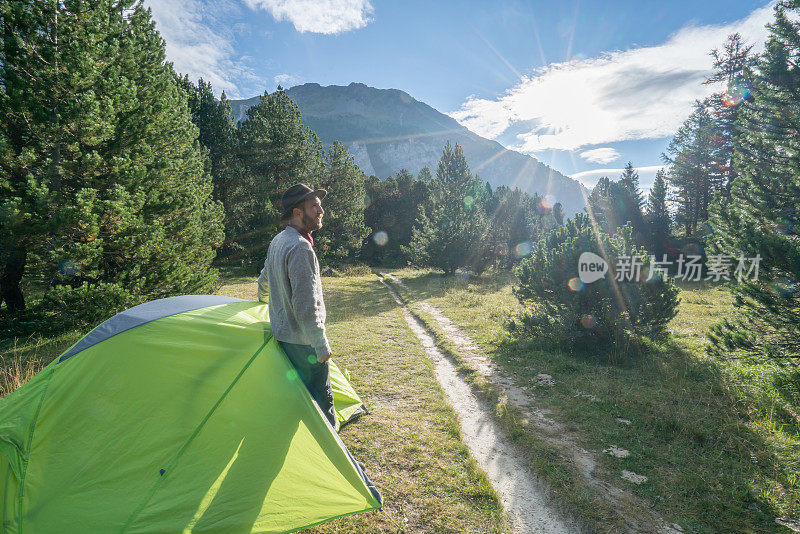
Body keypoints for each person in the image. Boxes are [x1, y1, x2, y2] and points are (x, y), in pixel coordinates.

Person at [257, 184, 336, 427]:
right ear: (298, 212)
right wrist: (320, 345)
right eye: (314, 206)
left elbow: (264, 279)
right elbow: (306, 304)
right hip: (305, 346)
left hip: (283, 340)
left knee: (296, 405)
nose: (321, 210)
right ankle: (336, 462)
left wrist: (262, 299)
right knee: (323, 406)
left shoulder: (278, 241)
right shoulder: (301, 248)